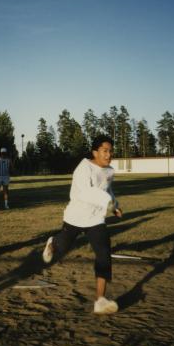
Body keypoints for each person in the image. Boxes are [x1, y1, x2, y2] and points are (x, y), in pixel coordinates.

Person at [42, 135, 122, 315]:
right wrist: (107, 201)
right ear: (95, 152)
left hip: (96, 218)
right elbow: (86, 192)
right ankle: (52, 242)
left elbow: (108, 190)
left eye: (111, 151)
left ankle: (100, 300)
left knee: (104, 253)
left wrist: (115, 206)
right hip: (76, 216)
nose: (109, 155)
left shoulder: (109, 171)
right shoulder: (83, 167)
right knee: (63, 247)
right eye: (105, 151)